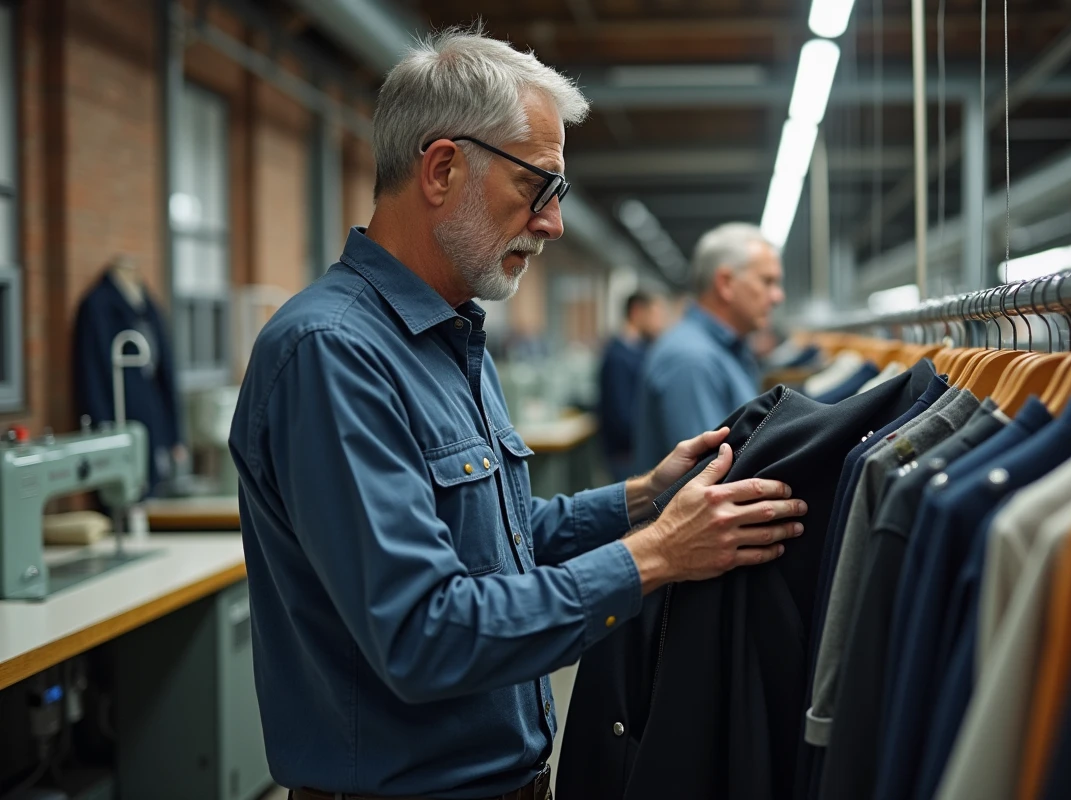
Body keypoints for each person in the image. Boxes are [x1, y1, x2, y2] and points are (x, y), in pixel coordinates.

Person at [227, 27, 807, 800]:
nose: (552, 223)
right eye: (540, 186)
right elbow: (424, 631)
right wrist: (657, 555)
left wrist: (642, 499)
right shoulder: (332, 353)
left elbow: (500, 545)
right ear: (442, 169)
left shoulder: (451, 339)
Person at [633, 222, 785, 473]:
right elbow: (708, 478)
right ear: (725, 283)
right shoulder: (692, 359)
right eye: (767, 282)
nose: (778, 296)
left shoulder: (727, 351)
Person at [598, 292, 667, 481]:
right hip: (626, 456)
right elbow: (621, 416)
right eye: (655, 314)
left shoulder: (642, 350)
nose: (659, 322)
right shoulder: (618, 357)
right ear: (637, 312)